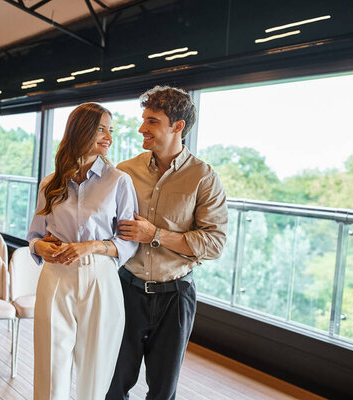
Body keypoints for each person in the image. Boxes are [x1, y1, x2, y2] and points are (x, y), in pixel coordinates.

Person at [106, 86, 228, 400]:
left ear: (177, 126)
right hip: (125, 290)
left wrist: (155, 235)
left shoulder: (204, 178)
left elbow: (214, 243)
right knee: (112, 384)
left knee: (163, 391)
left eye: (152, 121)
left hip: (176, 297)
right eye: (143, 120)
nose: (141, 128)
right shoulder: (125, 172)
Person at [27, 103, 139, 400]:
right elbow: (35, 235)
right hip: (55, 276)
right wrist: (40, 246)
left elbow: (128, 242)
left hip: (99, 277)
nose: (108, 137)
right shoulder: (49, 184)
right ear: (81, 130)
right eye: (101, 129)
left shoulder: (119, 182)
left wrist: (92, 246)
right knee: (50, 367)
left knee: (95, 369)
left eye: (110, 130)